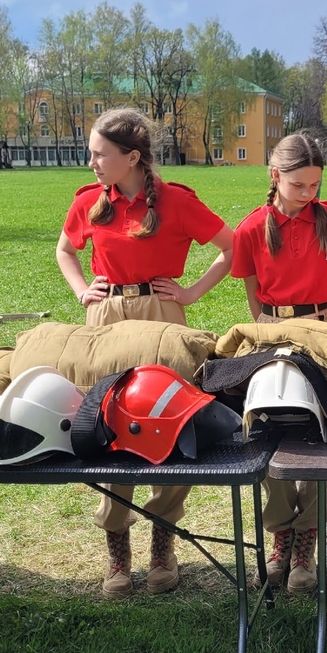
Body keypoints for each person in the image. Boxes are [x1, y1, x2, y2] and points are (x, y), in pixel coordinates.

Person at [55, 107, 234, 599]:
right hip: (107, 319)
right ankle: (118, 549)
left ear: (132, 157)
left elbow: (231, 247)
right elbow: (64, 251)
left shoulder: (175, 201)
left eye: (99, 154)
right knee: (105, 425)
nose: (90, 162)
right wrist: (80, 292)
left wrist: (192, 293)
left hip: (161, 318)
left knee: (170, 422)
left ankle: (163, 542)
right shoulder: (90, 202)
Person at [231, 132, 327, 594]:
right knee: (270, 426)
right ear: (275, 176)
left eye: (315, 186)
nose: (309, 195)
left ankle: (307, 535)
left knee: (318, 429)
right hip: (272, 330)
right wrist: (268, 326)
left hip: (323, 328)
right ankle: (279, 532)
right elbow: (252, 296)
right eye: (299, 185)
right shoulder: (251, 228)